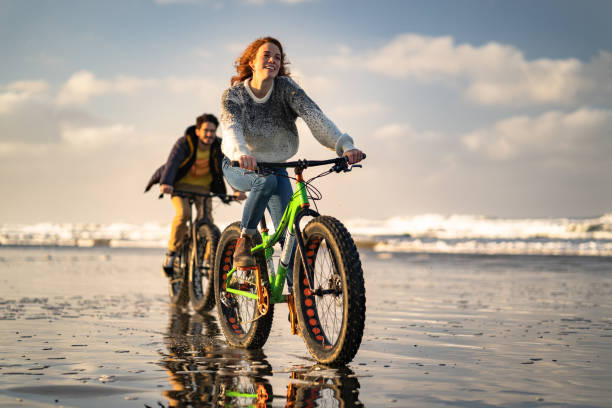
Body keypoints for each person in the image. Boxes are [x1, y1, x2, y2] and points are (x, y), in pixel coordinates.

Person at [220, 36, 364, 275]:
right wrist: (241, 153)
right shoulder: (234, 96)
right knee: (265, 181)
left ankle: (296, 307)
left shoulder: (287, 89)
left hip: (275, 165)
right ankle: (245, 240)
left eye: (277, 57)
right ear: (252, 62)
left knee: (290, 238)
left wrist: (345, 147)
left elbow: (316, 118)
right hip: (239, 164)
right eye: (266, 55)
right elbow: (231, 129)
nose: (273, 60)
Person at [145, 113, 246, 275]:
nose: (209, 134)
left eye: (213, 131)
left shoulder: (218, 146)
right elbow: (172, 163)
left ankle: (207, 258)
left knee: (207, 221)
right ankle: (172, 253)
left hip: (203, 189)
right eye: (206, 130)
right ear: (197, 131)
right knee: (183, 214)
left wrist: (236, 190)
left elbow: (227, 169)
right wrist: (166, 183)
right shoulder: (185, 143)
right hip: (179, 187)